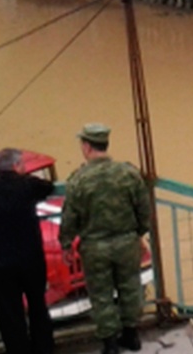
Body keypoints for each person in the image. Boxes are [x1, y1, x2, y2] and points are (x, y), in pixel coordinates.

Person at [59, 125, 151, 354]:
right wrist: (137, 233)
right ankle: (131, 335)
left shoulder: (78, 180)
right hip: (126, 242)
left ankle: (110, 344)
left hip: (94, 247)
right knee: (130, 287)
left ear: (87, 146)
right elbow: (144, 210)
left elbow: (70, 217)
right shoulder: (128, 173)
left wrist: (66, 243)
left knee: (101, 294)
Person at [0, 148, 56, 354]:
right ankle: (43, 348)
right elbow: (48, 187)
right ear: (17, 166)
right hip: (30, 260)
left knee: (9, 313)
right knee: (37, 306)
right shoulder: (27, 185)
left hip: (1, 263)